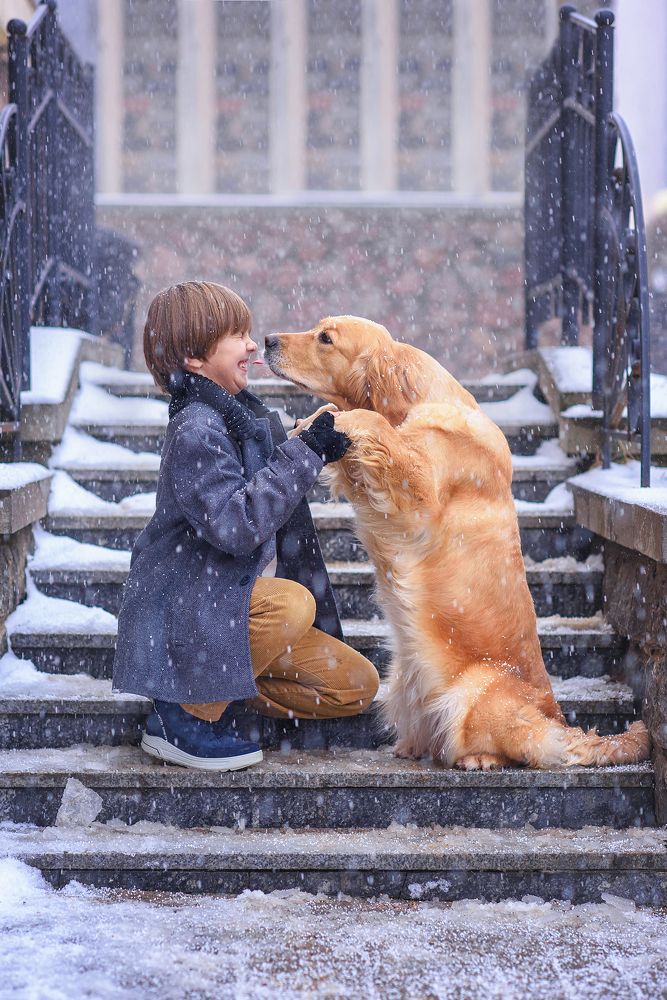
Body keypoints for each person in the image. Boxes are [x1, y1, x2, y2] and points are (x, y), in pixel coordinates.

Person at [112, 281, 380, 770]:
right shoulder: (196, 426)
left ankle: (221, 696)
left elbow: (260, 475)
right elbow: (237, 523)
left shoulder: (234, 416)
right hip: (189, 612)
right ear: (194, 358)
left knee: (353, 684)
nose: (253, 345)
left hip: (220, 617)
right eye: (238, 335)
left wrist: (307, 440)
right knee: (292, 603)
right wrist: (305, 453)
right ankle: (182, 715)